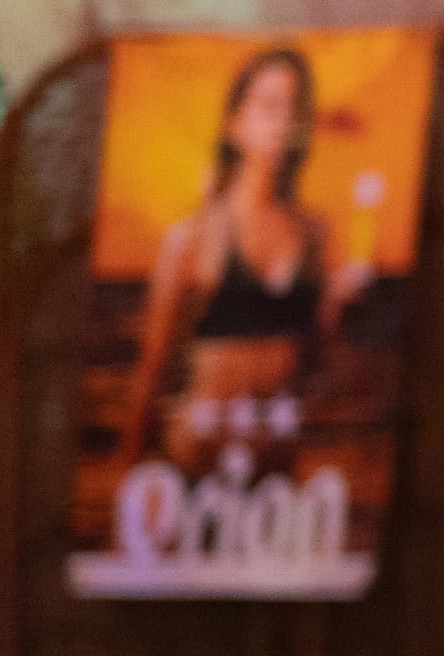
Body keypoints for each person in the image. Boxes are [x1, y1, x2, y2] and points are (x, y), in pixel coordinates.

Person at [109, 44, 371, 470]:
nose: (283, 121)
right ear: (235, 125)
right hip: (199, 469)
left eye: (294, 108)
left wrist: (333, 304)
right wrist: (127, 496)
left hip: (275, 480)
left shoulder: (312, 235)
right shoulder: (194, 237)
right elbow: (150, 374)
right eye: (269, 106)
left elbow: (313, 365)